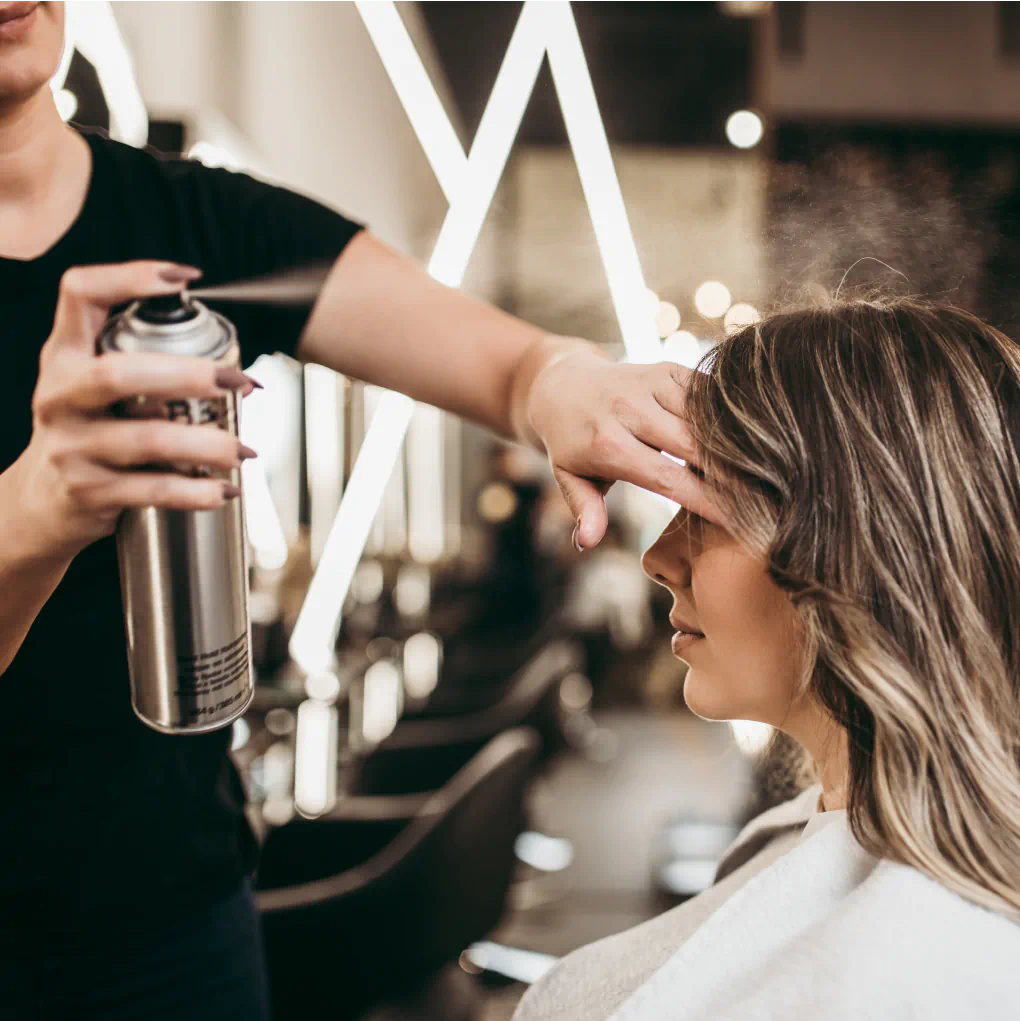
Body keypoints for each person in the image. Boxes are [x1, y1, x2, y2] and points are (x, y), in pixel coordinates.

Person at [0, 2, 717, 1017]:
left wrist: (561, 380)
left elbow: (510, 366)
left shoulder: (201, 225)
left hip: (176, 926)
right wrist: (34, 511)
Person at [514, 296, 1020, 1021]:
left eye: (709, 507)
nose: (659, 558)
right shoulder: (824, 851)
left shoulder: (913, 972)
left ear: (859, 552)